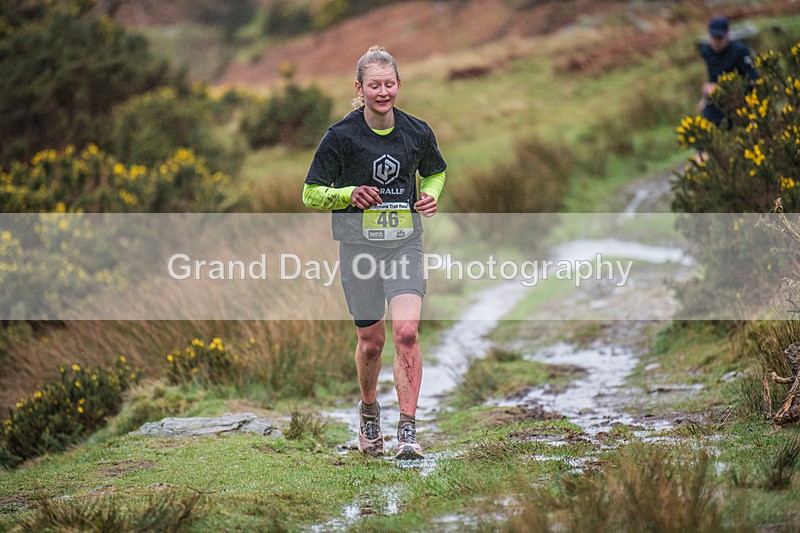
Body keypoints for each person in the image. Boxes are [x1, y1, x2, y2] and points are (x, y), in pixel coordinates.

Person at [303, 45, 447, 460]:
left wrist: (430, 195)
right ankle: (369, 413)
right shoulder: (340, 137)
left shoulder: (417, 132)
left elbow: (435, 171)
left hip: (404, 244)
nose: (382, 92)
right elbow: (310, 192)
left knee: (407, 333)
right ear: (359, 88)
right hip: (359, 250)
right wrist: (348, 194)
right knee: (371, 343)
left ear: (399, 85)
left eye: (389, 84)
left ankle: (408, 431)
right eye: (374, 85)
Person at [698, 16, 759, 127]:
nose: (716, 42)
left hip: (739, 103)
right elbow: (713, 78)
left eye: (720, 38)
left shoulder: (740, 51)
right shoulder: (706, 51)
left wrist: (723, 89)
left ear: (727, 35)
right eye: (713, 37)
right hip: (716, 103)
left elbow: (753, 81)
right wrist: (705, 99)